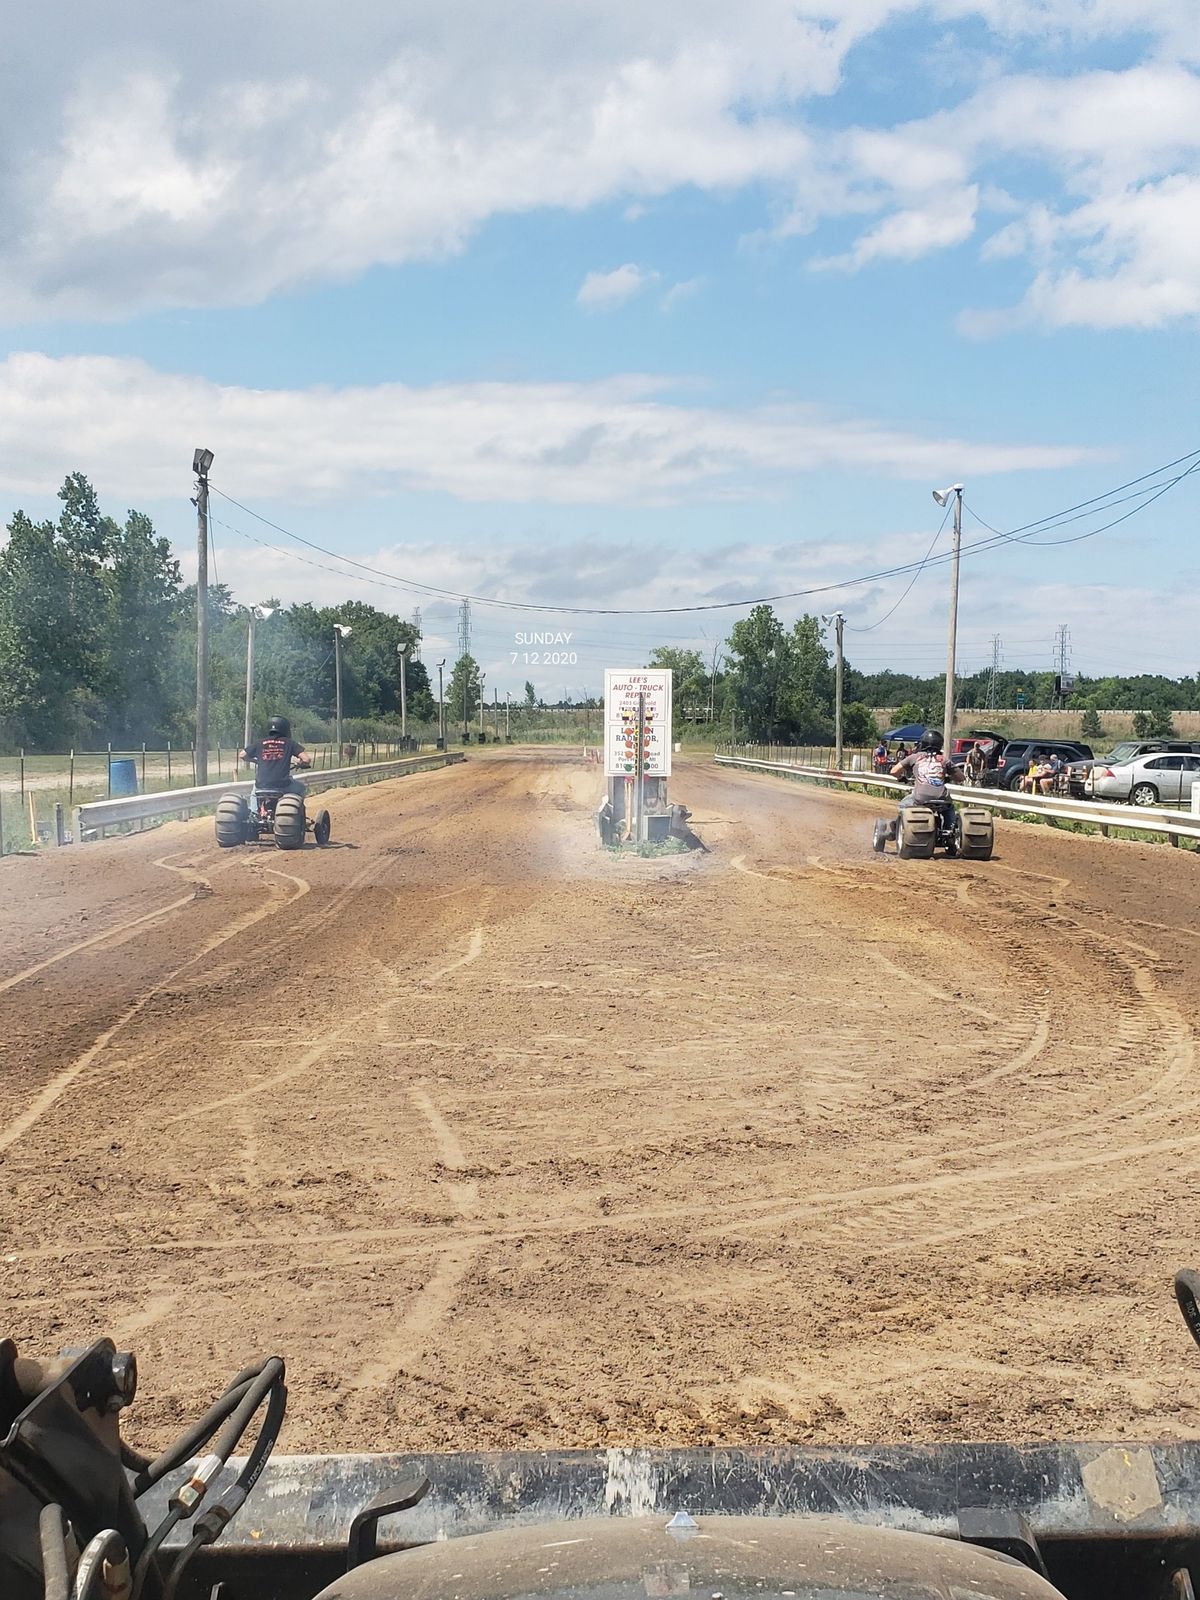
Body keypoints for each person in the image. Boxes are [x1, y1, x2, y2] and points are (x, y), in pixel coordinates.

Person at [886, 728, 954, 838]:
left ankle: (897, 827)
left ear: (923, 743)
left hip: (920, 798)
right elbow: (961, 777)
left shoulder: (914, 757)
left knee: (903, 804)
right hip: (942, 798)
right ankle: (950, 829)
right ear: (940, 744)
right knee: (949, 807)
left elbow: (893, 771)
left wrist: (902, 778)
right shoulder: (944, 760)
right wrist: (947, 777)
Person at [239, 715, 311, 808]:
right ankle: (298, 812)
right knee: (301, 788)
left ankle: (254, 813)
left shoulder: (259, 743)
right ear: (285, 729)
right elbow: (306, 759)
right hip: (282, 785)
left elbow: (242, 755)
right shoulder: (289, 743)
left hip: (262, 785)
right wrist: (299, 763)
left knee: (254, 793)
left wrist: (255, 761)